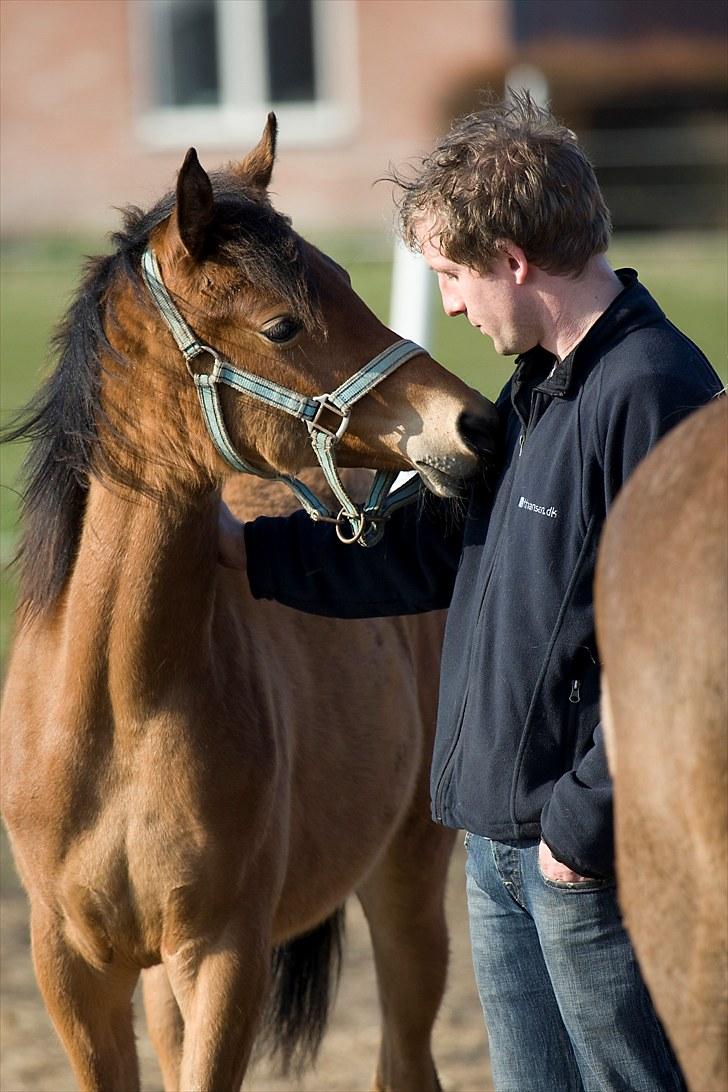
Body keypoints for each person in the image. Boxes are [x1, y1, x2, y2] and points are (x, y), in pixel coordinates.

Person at [219, 93, 722, 1091]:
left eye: (451, 275)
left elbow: (689, 652)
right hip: (497, 850)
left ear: (512, 261)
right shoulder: (535, 388)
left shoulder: (654, 393)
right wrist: (246, 553)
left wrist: (578, 833)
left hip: (588, 864)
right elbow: (428, 554)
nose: (448, 305)